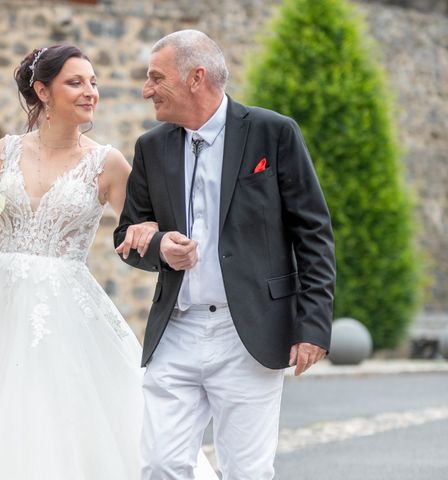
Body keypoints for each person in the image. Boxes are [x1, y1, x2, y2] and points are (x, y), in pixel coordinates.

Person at [0, 44, 217, 479]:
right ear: (42, 90)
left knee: (59, 420)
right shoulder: (6, 151)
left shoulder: (107, 163)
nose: (90, 92)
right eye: (75, 83)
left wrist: (160, 240)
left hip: (66, 312)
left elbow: (146, 228)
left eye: (93, 82)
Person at [114, 30, 336, 479]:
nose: (145, 89)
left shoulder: (273, 133)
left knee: (246, 471)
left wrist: (312, 325)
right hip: (176, 329)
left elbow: (312, 233)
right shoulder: (150, 147)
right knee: (160, 464)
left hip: (248, 332)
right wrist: (160, 248)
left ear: (197, 77)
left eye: (156, 77)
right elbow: (128, 236)